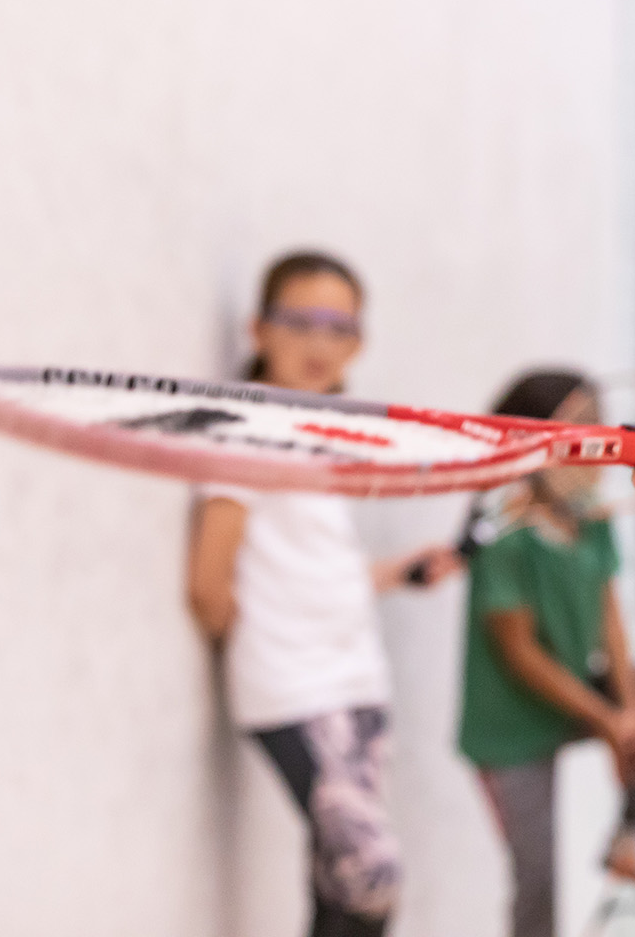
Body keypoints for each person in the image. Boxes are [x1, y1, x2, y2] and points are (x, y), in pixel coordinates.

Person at [186, 251, 460, 937]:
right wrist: (266, 647)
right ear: (258, 329)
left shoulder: (316, 437)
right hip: (292, 690)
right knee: (371, 875)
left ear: (358, 343)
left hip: (359, 688)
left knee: (339, 892)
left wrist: (397, 572)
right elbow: (207, 584)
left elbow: (313, 568)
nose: (319, 342)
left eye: (338, 327)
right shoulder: (246, 426)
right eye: (300, 321)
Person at [459, 369, 635, 937]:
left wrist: (632, 710)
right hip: (508, 728)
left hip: (577, 699)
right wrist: (609, 722)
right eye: (579, 430)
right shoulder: (502, 531)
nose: (594, 445)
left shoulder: (589, 519)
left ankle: (633, 837)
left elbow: (610, 618)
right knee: (538, 883)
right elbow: (520, 655)